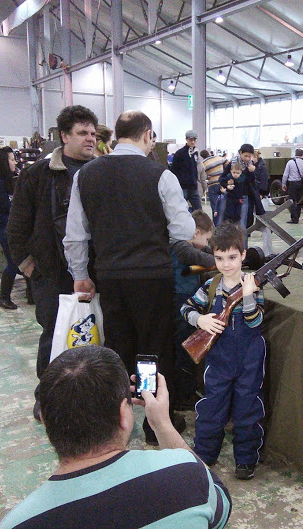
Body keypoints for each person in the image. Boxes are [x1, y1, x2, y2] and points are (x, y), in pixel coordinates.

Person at [63, 110, 195, 443]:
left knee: (117, 347)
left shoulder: (86, 174)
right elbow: (183, 230)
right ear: (148, 135)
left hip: (110, 277)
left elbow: (75, 234)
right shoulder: (160, 174)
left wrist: (80, 273)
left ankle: (116, 419)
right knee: (153, 349)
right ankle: (154, 423)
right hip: (152, 277)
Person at [0, 346, 231, 529]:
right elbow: (220, 506)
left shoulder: (18, 523)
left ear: (44, 419)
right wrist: (162, 424)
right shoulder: (187, 474)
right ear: (124, 415)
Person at [7, 104, 98, 421]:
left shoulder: (101, 172)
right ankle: (46, 398)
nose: (90, 138)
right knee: (54, 336)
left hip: (94, 273)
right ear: (64, 136)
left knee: (94, 336)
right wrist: (29, 267)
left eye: (93, 133)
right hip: (51, 273)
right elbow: (17, 226)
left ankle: (91, 398)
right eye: (82, 133)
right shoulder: (37, 175)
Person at [180, 223, 265, 480]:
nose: (226, 264)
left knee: (247, 407)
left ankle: (246, 459)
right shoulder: (211, 286)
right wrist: (200, 320)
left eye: (232, 257)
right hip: (219, 357)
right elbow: (186, 308)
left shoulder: (253, 285)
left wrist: (248, 296)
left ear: (243, 255)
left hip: (250, 358)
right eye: (219, 258)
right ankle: (205, 453)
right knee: (212, 406)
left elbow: (255, 323)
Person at [171, 210, 215, 411]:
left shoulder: (184, 247)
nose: (206, 244)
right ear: (196, 232)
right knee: (185, 350)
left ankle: (186, 391)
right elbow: (198, 256)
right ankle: (183, 394)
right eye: (206, 239)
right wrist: (222, 260)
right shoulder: (181, 247)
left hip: (183, 300)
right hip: (180, 303)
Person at [0, 147, 26, 310]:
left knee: (21, 261)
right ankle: (4, 298)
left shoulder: (5, 180)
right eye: (11, 160)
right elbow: (8, 207)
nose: (15, 162)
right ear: (3, 162)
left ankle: (30, 295)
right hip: (5, 229)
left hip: (11, 227)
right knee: (14, 263)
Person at [171, 129, 203, 212]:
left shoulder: (195, 152)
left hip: (193, 186)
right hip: (183, 187)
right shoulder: (179, 153)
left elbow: (195, 168)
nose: (193, 142)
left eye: (194, 140)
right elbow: (173, 170)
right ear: (186, 139)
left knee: (199, 211)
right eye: (190, 139)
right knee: (180, 210)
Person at [281, 148, 303, 224]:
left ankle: (294, 218)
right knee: (299, 201)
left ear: (295, 154)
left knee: (292, 201)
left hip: (292, 184)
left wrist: (283, 184)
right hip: (301, 184)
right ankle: (297, 217)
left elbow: (285, 174)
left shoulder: (290, 162)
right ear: (302, 155)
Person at [202, 149, 225, 220]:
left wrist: (207, 177)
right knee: (224, 204)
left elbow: (201, 175)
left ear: (202, 157)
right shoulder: (219, 158)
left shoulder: (203, 163)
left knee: (215, 207)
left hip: (212, 185)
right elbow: (229, 164)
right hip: (222, 184)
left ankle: (216, 223)